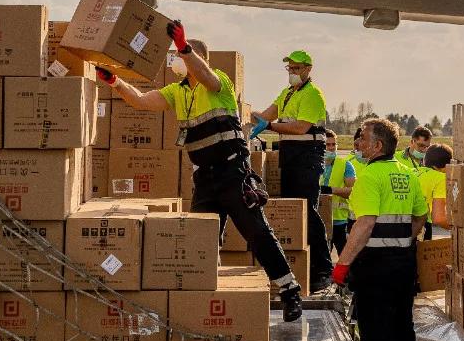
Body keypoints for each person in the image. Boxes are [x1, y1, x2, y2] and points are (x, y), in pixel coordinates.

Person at [99, 22, 304, 321]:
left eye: (179, 58)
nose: (176, 63)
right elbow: (142, 101)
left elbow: (205, 75)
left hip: (233, 172)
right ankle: (205, 294)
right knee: (200, 238)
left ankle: (290, 291)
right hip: (205, 178)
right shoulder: (177, 91)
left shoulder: (218, 83)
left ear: (194, 57)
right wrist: (116, 82)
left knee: (257, 232)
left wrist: (184, 48)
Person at [334, 118, 429, 341]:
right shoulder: (407, 174)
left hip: (374, 269)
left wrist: (341, 268)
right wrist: (401, 244)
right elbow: (420, 217)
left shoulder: (369, 176)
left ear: (377, 146)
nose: (358, 144)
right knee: (404, 334)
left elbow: (364, 225)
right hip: (403, 266)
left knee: (377, 337)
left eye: (362, 139)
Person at [251, 51, 334, 290]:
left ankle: (323, 269)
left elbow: (299, 127)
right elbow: (266, 115)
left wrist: (269, 125)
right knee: (294, 210)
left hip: (308, 156)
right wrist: (248, 116)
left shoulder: (312, 94)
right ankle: (304, 267)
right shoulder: (287, 94)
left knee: (307, 210)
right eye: (290, 69)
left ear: (308, 69)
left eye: (297, 69)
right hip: (291, 156)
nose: (292, 73)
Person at [320, 128, 356, 256]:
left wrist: (331, 190)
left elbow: (353, 191)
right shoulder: (313, 164)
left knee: (344, 254)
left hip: (338, 220)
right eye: (327, 145)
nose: (331, 148)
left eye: (333, 144)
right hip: (318, 218)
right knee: (322, 256)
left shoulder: (345, 165)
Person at [416, 144, 451, 241]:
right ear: (446, 166)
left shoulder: (412, 171)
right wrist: (459, 229)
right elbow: (438, 218)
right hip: (419, 226)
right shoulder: (440, 178)